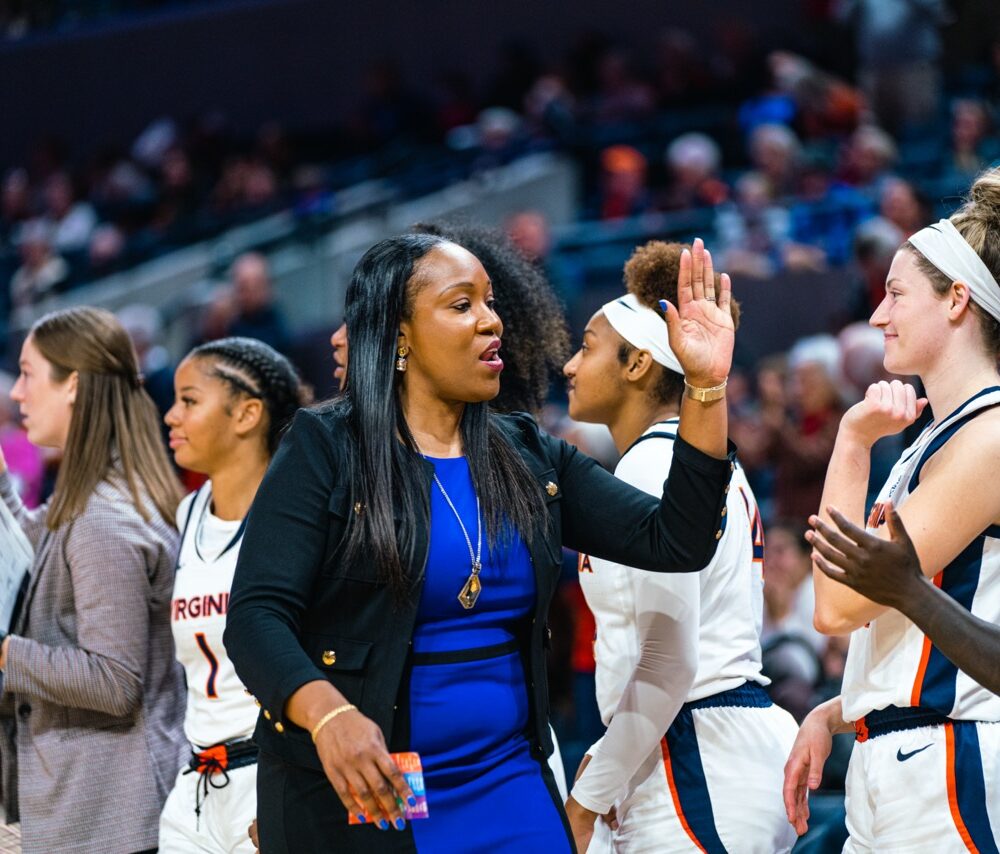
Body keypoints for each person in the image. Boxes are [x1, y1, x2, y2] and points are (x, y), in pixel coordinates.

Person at [224, 233, 736, 852]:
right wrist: (327, 716)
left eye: (489, 303)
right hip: (379, 787)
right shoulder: (326, 447)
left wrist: (705, 386)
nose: (491, 321)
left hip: (509, 779)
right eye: (461, 305)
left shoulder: (525, 452)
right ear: (401, 334)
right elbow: (256, 617)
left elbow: (676, 540)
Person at [786, 169, 1000, 849]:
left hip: (950, 761)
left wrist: (850, 442)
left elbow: (839, 608)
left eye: (896, 294)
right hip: (903, 757)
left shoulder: (990, 434)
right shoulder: (934, 435)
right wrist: (838, 711)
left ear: (958, 301)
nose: (878, 315)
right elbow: (905, 628)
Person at [562, 240, 797, 853]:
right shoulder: (679, 460)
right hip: (697, 740)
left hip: (695, 751)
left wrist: (588, 798)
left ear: (638, 364)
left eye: (586, 347)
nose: (568, 365)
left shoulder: (653, 466)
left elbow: (669, 660)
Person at [0, 306, 186, 853]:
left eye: (29, 375)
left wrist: (7, 654)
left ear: (74, 385)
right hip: (94, 808)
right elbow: (41, 541)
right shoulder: (93, 500)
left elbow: (113, 680)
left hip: (112, 817)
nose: (17, 394)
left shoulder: (102, 519)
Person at [159, 338, 308, 853]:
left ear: (246, 414)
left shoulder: (301, 511)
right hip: (195, 786)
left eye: (189, 400)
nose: (171, 416)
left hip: (271, 776)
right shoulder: (188, 513)